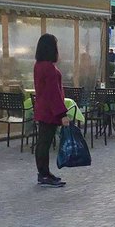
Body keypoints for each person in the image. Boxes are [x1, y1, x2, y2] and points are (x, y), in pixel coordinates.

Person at [33, 33, 69, 188]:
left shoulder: (38, 65)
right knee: (45, 143)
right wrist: (62, 114)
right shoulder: (49, 68)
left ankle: (44, 172)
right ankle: (44, 173)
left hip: (43, 108)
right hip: (49, 110)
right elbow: (53, 92)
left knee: (43, 142)